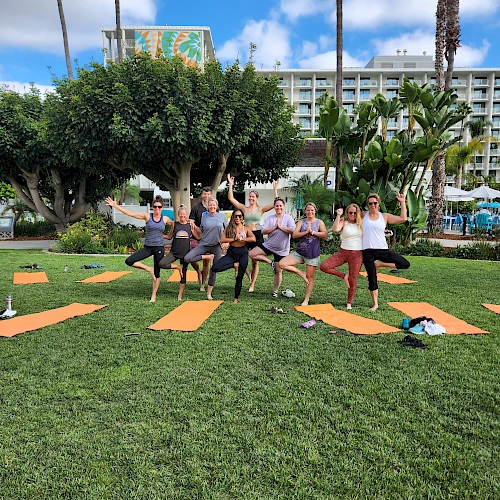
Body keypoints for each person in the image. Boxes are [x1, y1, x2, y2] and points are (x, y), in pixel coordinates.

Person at [105, 195, 173, 302]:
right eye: (155, 207)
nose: (157, 209)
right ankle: (148, 269)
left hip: (159, 247)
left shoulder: (165, 219)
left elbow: (174, 225)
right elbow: (130, 214)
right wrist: (115, 206)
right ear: (152, 207)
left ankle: (153, 295)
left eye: (159, 207)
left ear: (162, 208)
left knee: (157, 272)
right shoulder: (147, 216)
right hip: (148, 247)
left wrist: (168, 236)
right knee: (129, 260)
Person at [227, 175, 279, 291]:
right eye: (250, 196)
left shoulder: (260, 209)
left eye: (253, 197)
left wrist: (275, 190)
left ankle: (252, 284)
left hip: (257, 234)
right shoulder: (244, 209)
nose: (251, 198)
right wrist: (230, 184)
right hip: (245, 235)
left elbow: (276, 203)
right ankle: (250, 272)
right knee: (239, 257)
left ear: (256, 198)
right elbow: (231, 198)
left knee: (254, 261)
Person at [362, 193, 410, 311]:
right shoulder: (363, 215)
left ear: (379, 203)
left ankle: (379, 264)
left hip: (382, 249)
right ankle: (375, 304)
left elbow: (403, 218)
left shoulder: (384, 216)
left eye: (375, 203)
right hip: (367, 250)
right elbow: (350, 216)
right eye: (370, 203)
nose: (373, 205)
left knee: (405, 264)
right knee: (372, 277)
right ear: (368, 205)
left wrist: (402, 202)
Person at [279, 202, 328, 306]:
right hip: (300, 252)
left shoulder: (319, 222)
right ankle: (301, 273)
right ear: (305, 211)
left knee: (310, 278)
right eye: (308, 210)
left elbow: (325, 234)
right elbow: (294, 235)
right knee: (282, 264)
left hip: (312, 254)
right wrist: (305, 232)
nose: (310, 212)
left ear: (315, 211)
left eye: (312, 210)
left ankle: (306, 299)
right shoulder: (301, 222)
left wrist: (313, 232)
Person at [248, 197, 295, 297]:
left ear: (283, 206)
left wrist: (281, 227)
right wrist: (274, 227)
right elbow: (263, 231)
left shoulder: (288, 218)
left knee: (278, 271)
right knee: (252, 254)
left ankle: (275, 292)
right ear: (274, 207)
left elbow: (293, 231)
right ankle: (271, 262)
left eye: (280, 206)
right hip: (269, 245)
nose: (278, 207)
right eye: (276, 206)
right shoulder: (271, 218)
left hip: (282, 249)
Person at [206, 209, 256, 303]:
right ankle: (234, 265)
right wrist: (233, 239)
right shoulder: (229, 228)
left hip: (242, 253)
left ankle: (236, 298)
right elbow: (222, 239)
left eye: (240, 216)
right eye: (236, 216)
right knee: (215, 268)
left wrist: (242, 238)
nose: (237, 218)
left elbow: (253, 238)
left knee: (239, 277)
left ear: (242, 218)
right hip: (232, 252)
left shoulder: (246, 228)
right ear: (233, 217)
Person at [320, 204, 363, 309]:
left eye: (354, 212)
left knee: (353, 280)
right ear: (347, 213)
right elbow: (335, 229)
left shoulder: (361, 223)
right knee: (324, 266)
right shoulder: (344, 221)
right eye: (350, 212)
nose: (352, 214)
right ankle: (344, 276)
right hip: (343, 252)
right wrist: (338, 215)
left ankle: (349, 302)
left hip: (357, 254)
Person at [184, 198, 227, 290]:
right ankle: (207, 257)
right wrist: (193, 226)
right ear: (207, 206)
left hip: (216, 246)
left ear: (216, 206)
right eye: (210, 205)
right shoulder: (204, 217)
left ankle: (209, 292)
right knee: (187, 258)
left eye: (213, 205)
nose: (212, 207)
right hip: (203, 244)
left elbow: (227, 230)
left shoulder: (222, 217)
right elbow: (201, 230)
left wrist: (226, 241)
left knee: (214, 269)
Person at [158, 205, 196, 301]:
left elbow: (197, 236)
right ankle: (177, 267)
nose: (182, 216)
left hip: (185, 254)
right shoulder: (175, 224)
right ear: (178, 215)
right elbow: (169, 236)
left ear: (187, 215)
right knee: (161, 263)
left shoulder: (190, 225)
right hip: (174, 252)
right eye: (181, 214)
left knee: (183, 275)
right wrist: (159, 235)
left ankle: (180, 295)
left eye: (184, 214)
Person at [188, 186, 214, 288]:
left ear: (211, 195)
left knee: (206, 262)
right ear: (202, 195)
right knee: (191, 257)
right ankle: (198, 271)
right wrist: (197, 236)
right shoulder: (196, 208)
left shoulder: (214, 207)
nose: (206, 196)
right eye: (204, 194)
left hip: (209, 239)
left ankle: (203, 284)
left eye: (208, 194)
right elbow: (191, 224)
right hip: (196, 237)